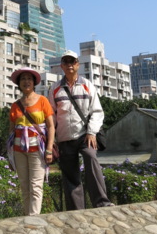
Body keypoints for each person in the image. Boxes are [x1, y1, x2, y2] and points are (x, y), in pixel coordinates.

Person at [48, 50, 113, 210]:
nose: (69, 65)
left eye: (72, 61)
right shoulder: (55, 88)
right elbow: (51, 116)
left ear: (77, 64)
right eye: (66, 62)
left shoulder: (87, 85)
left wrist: (91, 132)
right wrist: (52, 139)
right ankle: (76, 210)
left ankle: (102, 202)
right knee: (70, 174)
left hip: (85, 135)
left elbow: (97, 111)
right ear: (61, 66)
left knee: (91, 158)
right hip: (64, 136)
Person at [8, 67, 55, 215]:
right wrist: (9, 155)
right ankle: (27, 216)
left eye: (29, 78)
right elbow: (11, 131)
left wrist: (49, 149)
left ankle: (34, 218)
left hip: (37, 149)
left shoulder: (43, 101)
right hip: (18, 150)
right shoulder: (15, 105)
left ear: (34, 82)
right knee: (24, 186)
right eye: (23, 79)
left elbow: (51, 126)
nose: (26, 81)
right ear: (19, 83)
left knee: (35, 185)